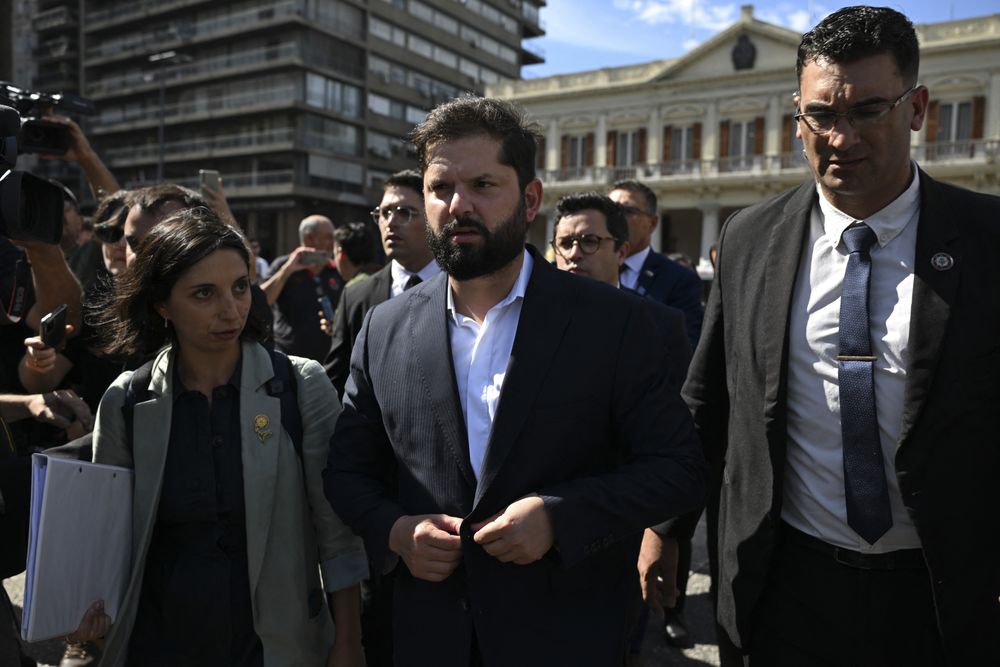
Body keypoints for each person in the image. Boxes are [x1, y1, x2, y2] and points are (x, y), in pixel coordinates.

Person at [324, 96, 706, 667]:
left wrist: (560, 517)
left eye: (483, 184)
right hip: (427, 636)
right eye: (439, 188)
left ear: (530, 200)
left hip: (567, 633)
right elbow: (348, 470)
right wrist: (397, 531)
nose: (458, 206)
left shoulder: (619, 323)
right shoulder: (384, 326)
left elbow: (678, 470)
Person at [684, 6, 1000, 665]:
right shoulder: (748, 239)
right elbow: (709, 404)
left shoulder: (987, 240)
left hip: (943, 593)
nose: (840, 137)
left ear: (916, 109)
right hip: (786, 584)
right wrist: (664, 529)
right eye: (821, 116)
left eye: (866, 112)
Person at [70, 207, 367, 666]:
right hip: (160, 643)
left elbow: (337, 533)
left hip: (274, 646)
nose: (231, 310)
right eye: (204, 294)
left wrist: (348, 643)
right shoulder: (126, 401)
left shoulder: (299, 385)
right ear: (161, 304)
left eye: (240, 287)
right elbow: (107, 542)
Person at [550, 191, 695, 657]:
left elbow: (680, 442)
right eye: (565, 244)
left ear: (622, 250)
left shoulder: (661, 326)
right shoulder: (523, 323)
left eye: (590, 242)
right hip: (539, 530)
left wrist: (662, 532)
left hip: (622, 530)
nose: (575, 254)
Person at [323, 170, 439, 398]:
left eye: (404, 212)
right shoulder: (356, 297)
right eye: (384, 213)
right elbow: (336, 380)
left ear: (432, 216)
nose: (391, 222)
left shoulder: (464, 288)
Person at [609, 179, 704, 349]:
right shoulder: (585, 269)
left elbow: (686, 346)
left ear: (652, 223)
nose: (616, 218)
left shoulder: (679, 280)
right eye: (610, 210)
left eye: (627, 210)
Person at [262, 215, 344, 362]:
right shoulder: (283, 265)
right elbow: (261, 301)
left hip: (328, 360)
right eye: (328, 237)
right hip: (289, 360)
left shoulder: (336, 270)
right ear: (309, 239)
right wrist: (287, 270)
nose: (333, 243)